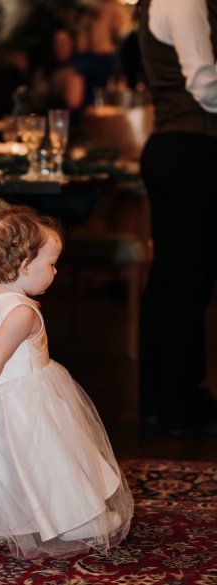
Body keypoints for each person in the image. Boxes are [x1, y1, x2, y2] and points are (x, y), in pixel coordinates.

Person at [0, 206, 134, 560]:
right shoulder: (23, 312)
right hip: (22, 397)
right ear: (24, 266)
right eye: (51, 264)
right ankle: (74, 521)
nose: (55, 271)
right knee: (43, 457)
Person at [138, 0, 217, 435]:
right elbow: (205, 85)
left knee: (170, 281)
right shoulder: (184, 0)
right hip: (192, 150)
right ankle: (181, 405)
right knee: (187, 282)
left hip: (173, 146)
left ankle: (160, 400)